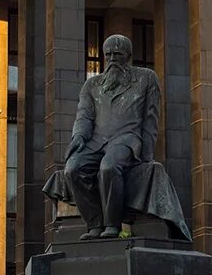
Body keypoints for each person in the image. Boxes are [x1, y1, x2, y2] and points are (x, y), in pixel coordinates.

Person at [61, 35, 160, 239]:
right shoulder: (91, 85)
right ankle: (95, 224)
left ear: (129, 56)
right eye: (108, 55)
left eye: (117, 54)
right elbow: (84, 116)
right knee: (72, 169)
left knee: (109, 166)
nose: (113, 59)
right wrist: (78, 137)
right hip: (96, 141)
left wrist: (147, 155)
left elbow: (151, 118)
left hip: (127, 138)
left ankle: (112, 224)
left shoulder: (146, 78)